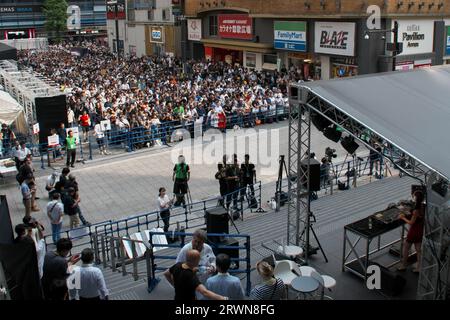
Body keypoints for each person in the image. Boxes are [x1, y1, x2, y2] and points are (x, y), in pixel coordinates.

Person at [397, 190, 425, 273]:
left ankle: (403, 265)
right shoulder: (422, 206)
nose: (412, 197)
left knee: (406, 248)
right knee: (418, 249)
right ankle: (419, 267)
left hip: (414, 231)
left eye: (413, 196)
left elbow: (411, 222)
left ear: (416, 198)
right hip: (420, 230)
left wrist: (403, 217)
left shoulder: (416, 210)